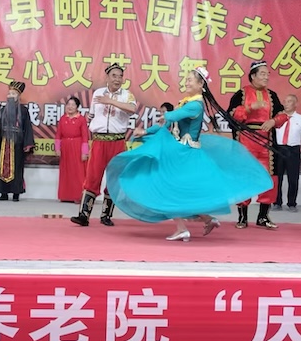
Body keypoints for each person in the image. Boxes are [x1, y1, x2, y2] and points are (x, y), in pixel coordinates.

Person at [107, 68, 273, 241]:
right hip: (181, 152)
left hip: (186, 154)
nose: (186, 83)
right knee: (180, 192)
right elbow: (167, 124)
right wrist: (146, 131)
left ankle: (182, 228)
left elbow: (173, 116)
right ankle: (207, 219)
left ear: (201, 85)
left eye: (190, 80)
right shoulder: (187, 103)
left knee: (170, 189)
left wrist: (166, 116)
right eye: (186, 80)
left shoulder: (195, 105)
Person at [71, 64, 137, 226]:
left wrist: (110, 101)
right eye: (114, 76)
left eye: (120, 76)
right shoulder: (98, 93)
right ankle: (84, 215)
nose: (117, 79)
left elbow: (132, 109)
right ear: (107, 77)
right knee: (92, 176)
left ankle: (106, 215)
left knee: (114, 178)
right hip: (99, 141)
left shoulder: (127, 95)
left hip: (117, 141)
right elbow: (92, 115)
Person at [228, 61, 289, 230]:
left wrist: (273, 121)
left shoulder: (272, 95)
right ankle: (242, 216)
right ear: (253, 76)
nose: (266, 77)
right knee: (244, 177)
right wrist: (250, 108)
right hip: (246, 141)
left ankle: (263, 216)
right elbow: (231, 115)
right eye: (262, 74)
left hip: (266, 143)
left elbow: (283, 115)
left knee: (269, 178)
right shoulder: (241, 94)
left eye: (267, 74)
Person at [0, 80, 34, 201]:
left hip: (18, 143)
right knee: (3, 167)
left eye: (14, 94)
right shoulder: (2, 110)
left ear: (18, 96)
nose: (11, 96)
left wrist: (27, 144)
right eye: (9, 93)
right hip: (5, 142)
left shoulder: (24, 110)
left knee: (17, 168)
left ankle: (16, 193)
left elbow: (27, 127)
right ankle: (4, 193)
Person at [274, 94, 301, 212]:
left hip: (293, 150)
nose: (286, 103)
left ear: (296, 104)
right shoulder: (276, 118)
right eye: (285, 101)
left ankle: (292, 203)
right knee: (277, 178)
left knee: (293, 178)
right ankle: (277, 202)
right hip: (278, 149)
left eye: (289, 101)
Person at [55, 96, 89, 202]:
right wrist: (57, 148)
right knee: (65, 171)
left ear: (77, 107)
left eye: (73, 105)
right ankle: (65, 196)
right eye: (68, 104)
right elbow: (58, 135)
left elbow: (85, 137)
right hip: (65, 147)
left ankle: (78, 196)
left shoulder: (81, 119)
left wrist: (84, 152)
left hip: (77, 146)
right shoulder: (63, 119)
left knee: (78, 172)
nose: (70, 107)